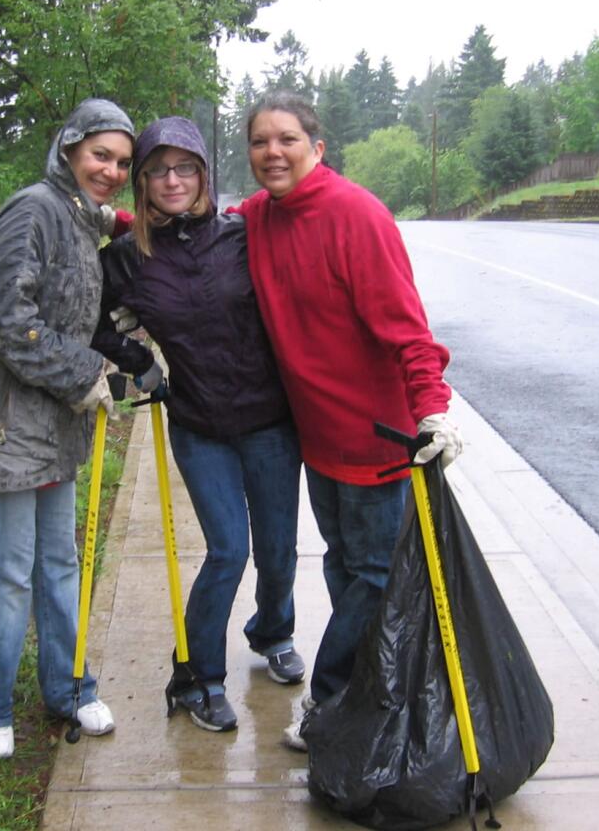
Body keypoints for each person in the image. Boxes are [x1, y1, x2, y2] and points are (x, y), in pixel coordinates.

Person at [230, 90, 463, 751]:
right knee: (346, 568)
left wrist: (433, 411)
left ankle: (331, 698)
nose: (272, 152)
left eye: (287, 140)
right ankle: (369, 684)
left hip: (377, 441)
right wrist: (115, 224)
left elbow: (408, 328)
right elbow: (191, 228)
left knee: (374, 577)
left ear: (318, 147)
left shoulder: (356, 216)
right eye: (259, 141)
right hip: (320, 439)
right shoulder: (261, 216)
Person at [94, 117, 304, 733]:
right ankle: (198, 677)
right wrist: (139, 361)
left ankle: (273, 632)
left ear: (204, 174)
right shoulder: (129, 259)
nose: (172, 180)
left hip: (269, 419)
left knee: (277, 545)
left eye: (185, 167)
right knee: (228, 549)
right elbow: (92, 319)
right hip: (199, 421)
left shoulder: (242, 236)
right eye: (158, 170)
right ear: (142, 183)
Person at [0, 99, 134, 760]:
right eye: (99, 155)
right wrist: (85, 372)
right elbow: (3, 318)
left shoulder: (81, 219)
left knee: (60, 563)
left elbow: (88, 262)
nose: (110, 170)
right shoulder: (33, 209)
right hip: (1, 425)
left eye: (121, 163)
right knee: (9, 572)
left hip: (55, 426)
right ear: (69, 148)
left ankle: (70, 687)